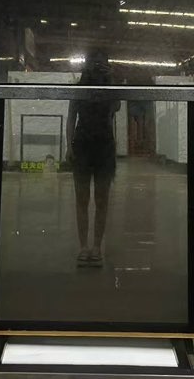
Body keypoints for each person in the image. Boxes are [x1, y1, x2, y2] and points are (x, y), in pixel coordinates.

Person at [66, 51, 119, 268]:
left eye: (101, 64)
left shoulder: (109, 89)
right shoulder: (79, 89)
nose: (96, 68)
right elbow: (71, 117)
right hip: (83, 145)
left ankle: (96, 246)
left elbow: (116, 107)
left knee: (101, 199)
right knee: (82, 198)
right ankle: (83, 246)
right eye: (93, 64)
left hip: (104, 145)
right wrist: (69, 146)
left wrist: (111, 79)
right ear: (86, 66)